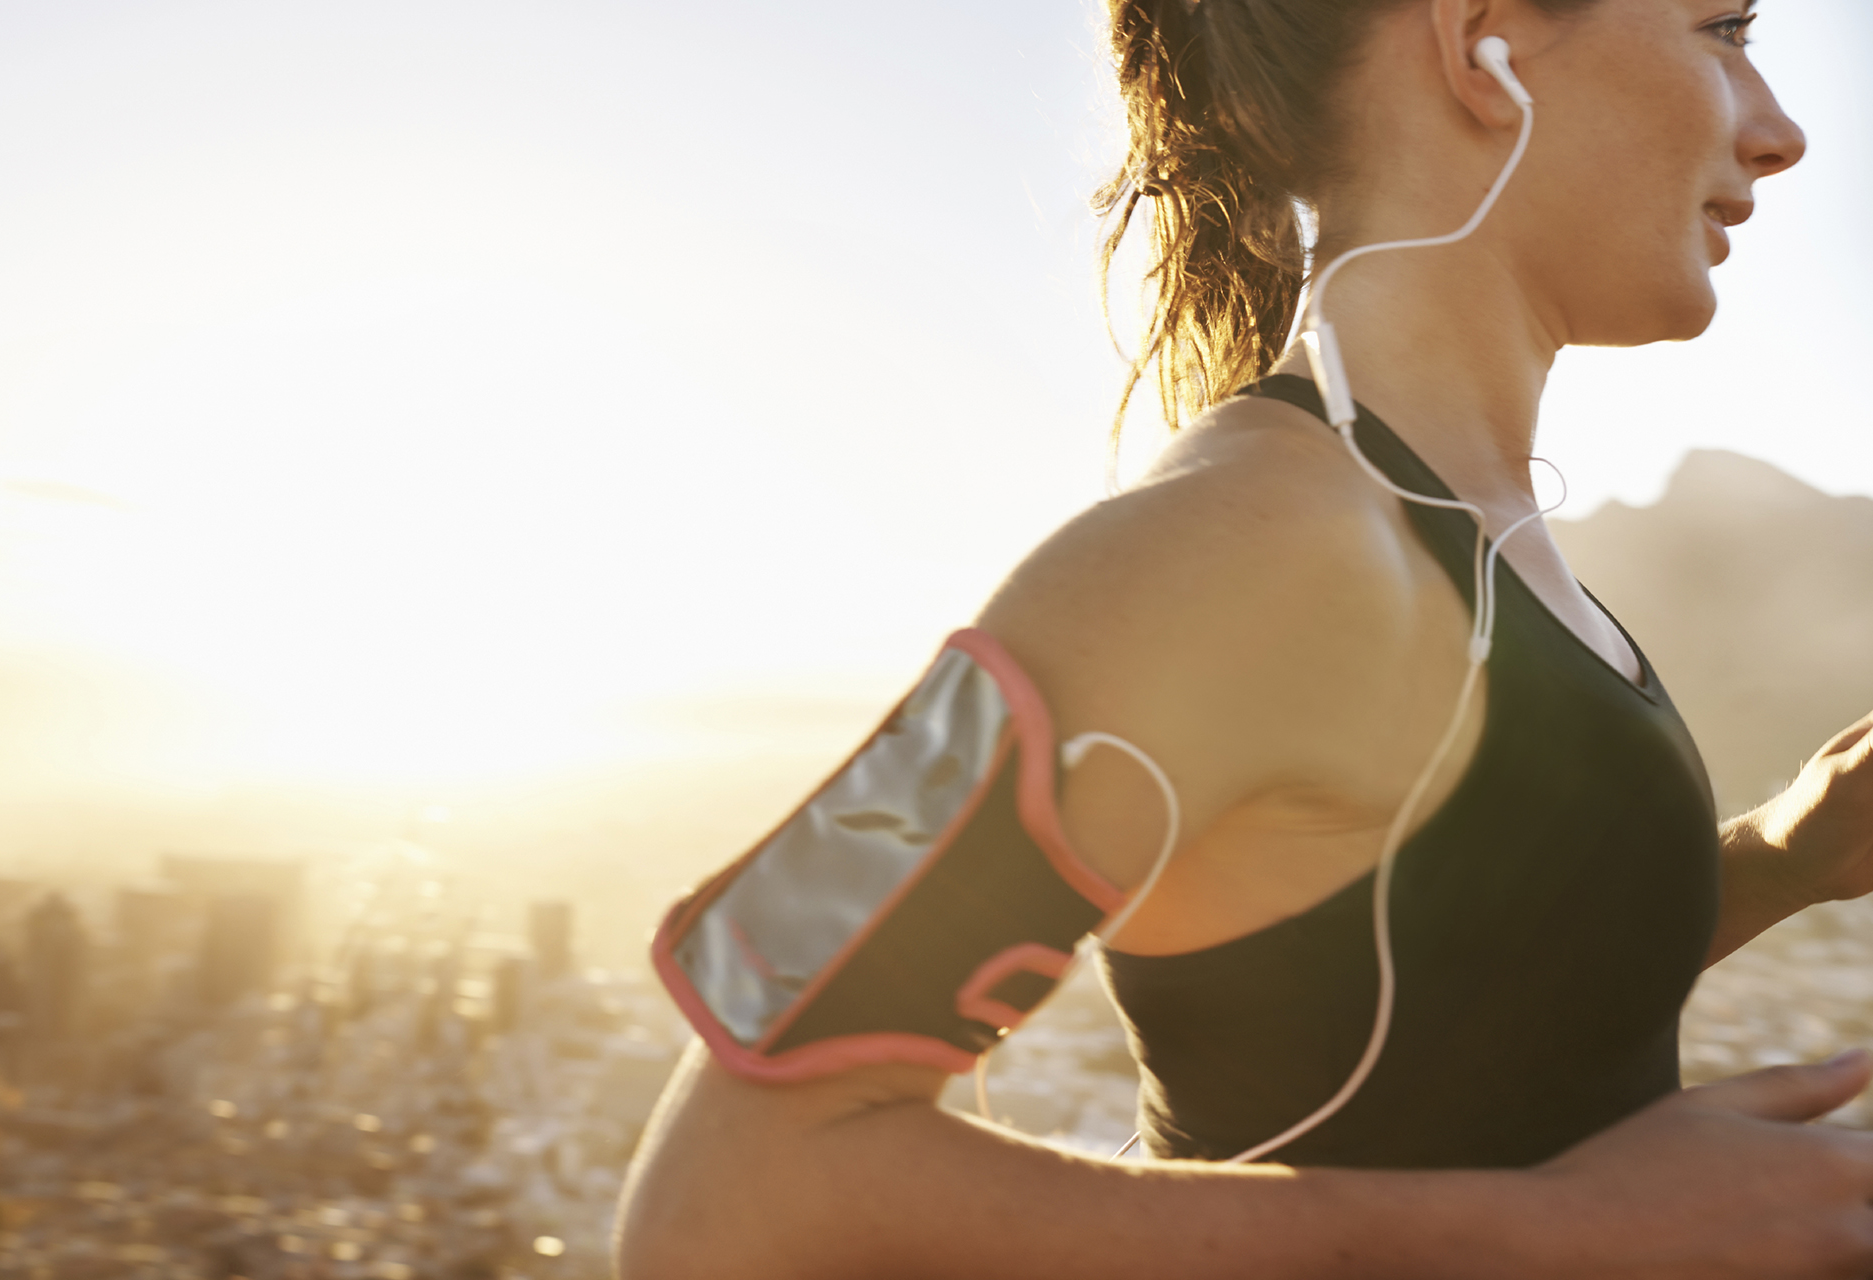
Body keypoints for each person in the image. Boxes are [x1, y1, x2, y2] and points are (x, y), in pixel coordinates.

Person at [616, 0, 1873, 1274]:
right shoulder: (1236, 541)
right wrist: (1561, 1231)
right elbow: (718, 1199)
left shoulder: (1476, 526)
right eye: (1723, 28)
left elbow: (1450, 984)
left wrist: (1784, 855)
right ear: (1484, 42)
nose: (1781, 134)